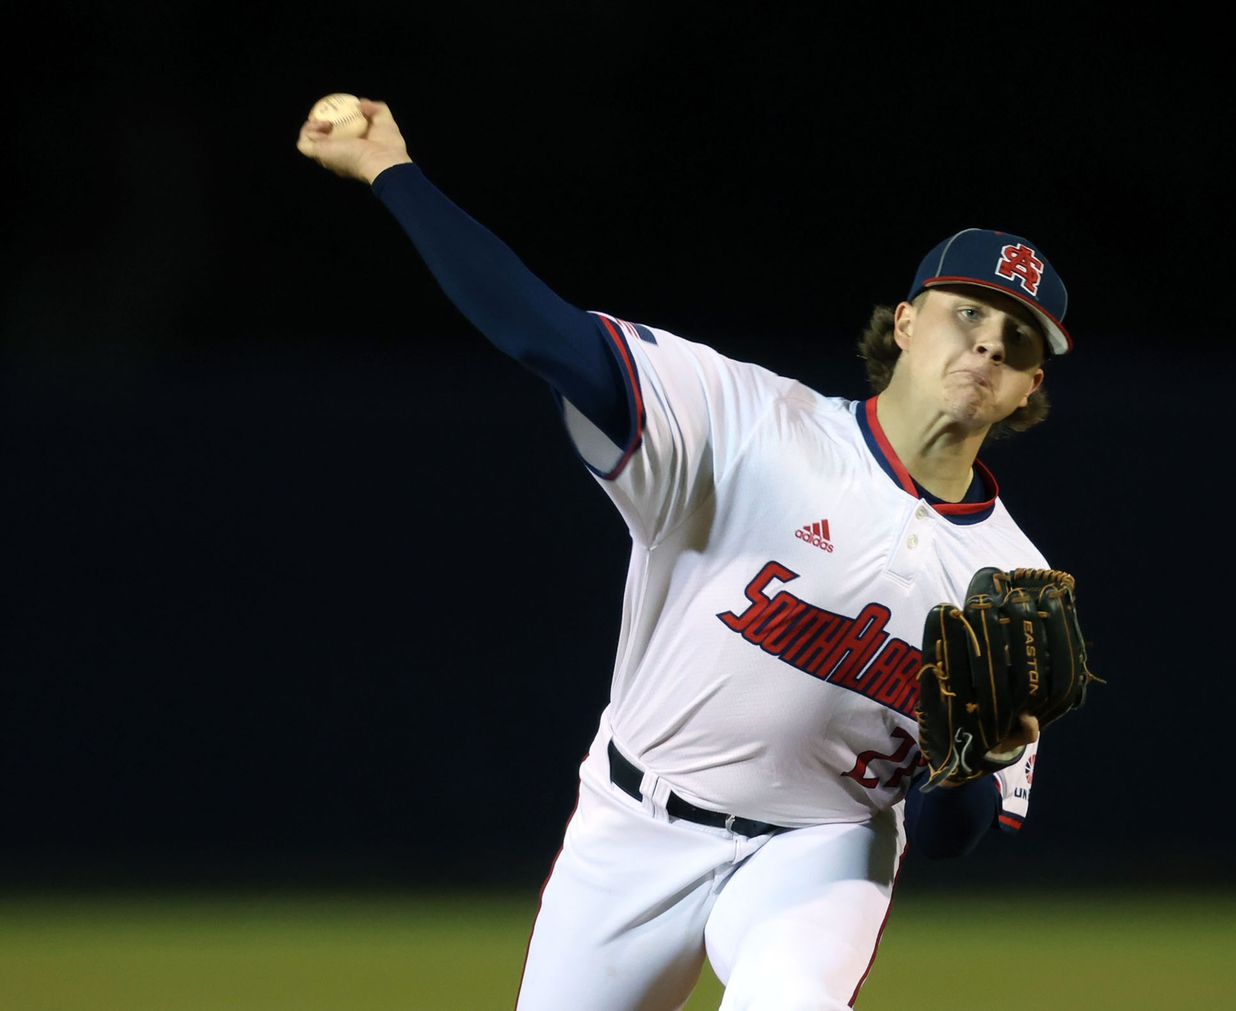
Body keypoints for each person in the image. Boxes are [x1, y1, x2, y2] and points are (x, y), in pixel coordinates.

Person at [297, 99, 1070, 1011]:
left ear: (1029, 387)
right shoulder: (747, 425)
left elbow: (948, 836)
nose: (988, 340)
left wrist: (973, 758)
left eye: (1018, 339)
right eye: (968, 310)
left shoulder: (1015, 588)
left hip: (818, 852)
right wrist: (394, 170)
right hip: (633, 822)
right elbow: (543, 336)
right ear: (903, 323)